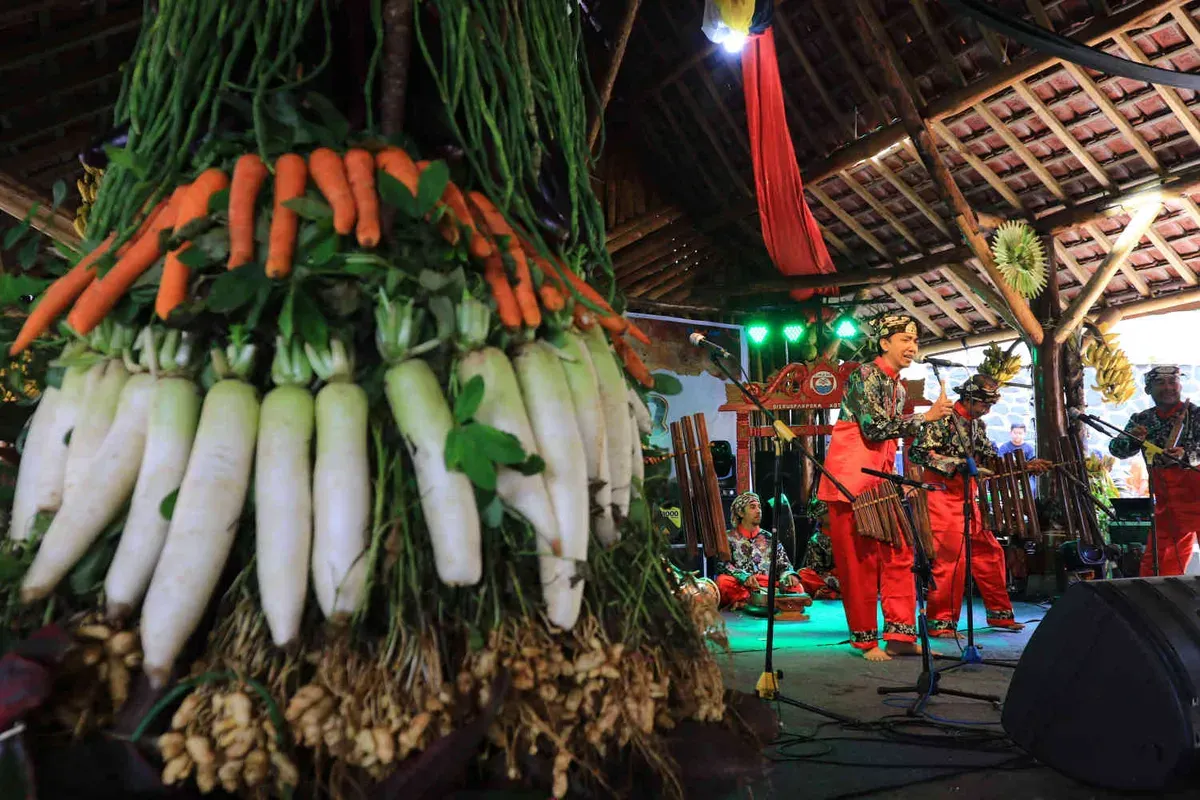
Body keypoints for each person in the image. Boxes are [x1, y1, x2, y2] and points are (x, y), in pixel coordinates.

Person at [816, 313, 954, 661]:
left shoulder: (897, 385)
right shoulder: (865, 375)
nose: (912, 346)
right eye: (905, 340)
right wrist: (926, 417)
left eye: (915, 341)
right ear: (884, 343)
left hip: (880, 480)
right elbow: (874, 428)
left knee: (901, 554)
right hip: (851, 481)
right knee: (859, 562)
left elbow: (890, 436)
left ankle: (900, 635)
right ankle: (865, 641)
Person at [909, 374, 1053, 638]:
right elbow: (918, 453)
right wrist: (957, 465)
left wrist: (1024, 466)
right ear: (969, 398)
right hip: (941, 497)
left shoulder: (978, 425)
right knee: (952, 559)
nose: (987, 410)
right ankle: (941, 622)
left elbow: (990, 461)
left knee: (990, 552)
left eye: (990, 405)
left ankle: (1000, 614)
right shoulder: (941, 419)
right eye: (984, 404)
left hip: (968, 498)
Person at [1109, 366, 1200, 576]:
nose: (1168, 387)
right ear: (1148, 389)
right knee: (1157, 564)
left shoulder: (1196, 414)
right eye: (1160, 383)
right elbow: (1116, 450)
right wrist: (1133, 440)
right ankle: (1163, 597)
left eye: (1172, 382)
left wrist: (1186, 455)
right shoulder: (1141, 419)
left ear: (1180, 386)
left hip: (1197, 493)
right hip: (1168, 502)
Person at [714, 492, 805, 609]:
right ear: (741, 513)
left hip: (767, 586)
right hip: (742, 585)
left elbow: (784, 565)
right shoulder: (728, 537)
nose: (758, 511)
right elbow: (722, 565)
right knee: (723, 582)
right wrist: (743, 577)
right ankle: (766, 602)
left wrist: (788, 575)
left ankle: (750, 602)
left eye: (759, 507)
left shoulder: (770, 538)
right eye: (752, 507)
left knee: (798, 588)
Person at [797, 500, 840, 599]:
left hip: (844, 574)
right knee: (803, 574)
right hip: (825, 577)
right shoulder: (816, 539)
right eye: (827, 512)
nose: (832, 514)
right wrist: (834, 582)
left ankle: (830, 592)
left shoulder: (844, 533)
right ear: (820, 518)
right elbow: (817, 570)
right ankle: (833, 591)